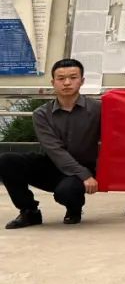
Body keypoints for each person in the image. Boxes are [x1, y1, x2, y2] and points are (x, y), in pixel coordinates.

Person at [1, 60, 100, 229]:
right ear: (53, 82)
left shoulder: (98, 109)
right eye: (61, 78)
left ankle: (74, 209)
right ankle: (29, 211)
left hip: (81, 170)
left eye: (73, 77)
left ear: (82, 81)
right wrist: (85, 175)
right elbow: (54, 149)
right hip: (52, 166)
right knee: (7, 161)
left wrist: (87, 174)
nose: (67, 83)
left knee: (67, 192)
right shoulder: (41, 114)